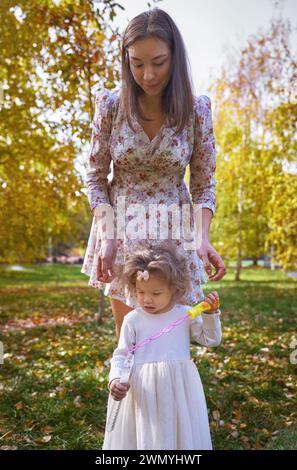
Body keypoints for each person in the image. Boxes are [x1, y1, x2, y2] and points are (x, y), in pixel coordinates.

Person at [81, 7, 226, 341]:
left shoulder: (196, 110)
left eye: (158, 62)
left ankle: (172, 394)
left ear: (175, 57)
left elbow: (204, 184)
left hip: (174, 234)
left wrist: (202, 238)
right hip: (122, 233)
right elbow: (96, 176)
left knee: (172, 342)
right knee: (129, 343)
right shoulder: (111, 106)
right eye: (137, 63)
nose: (147, 75)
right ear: (126, 61)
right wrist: (108, 236)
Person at [102, 240, 222, 450]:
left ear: (174, 289)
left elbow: (210, 340)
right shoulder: (133, 320)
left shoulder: (185, 314)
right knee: (147, 435)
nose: (147, 299)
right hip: (143, 389)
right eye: (140, 292)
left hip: (178, 387)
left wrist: (211, 314)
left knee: (177, 431)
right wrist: (115, 379)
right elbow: (121, 354)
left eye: (156, 293)